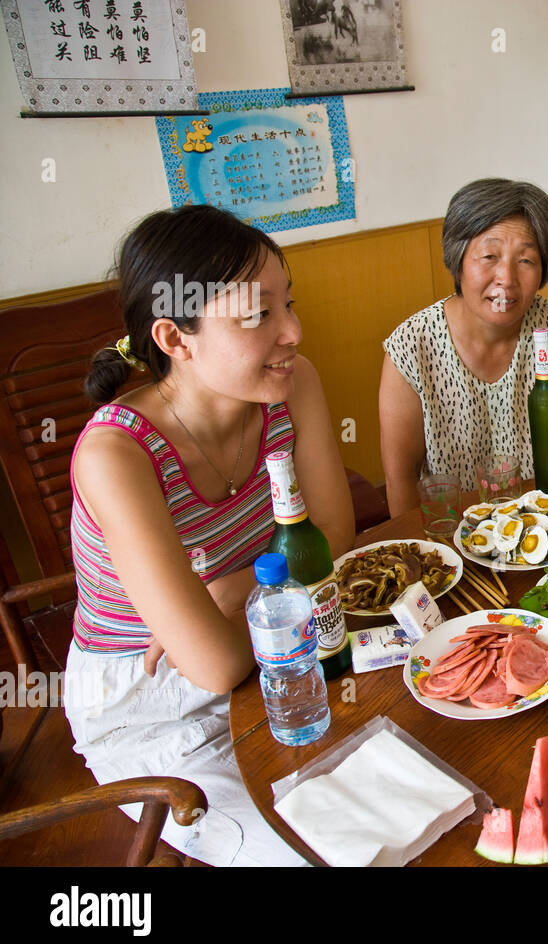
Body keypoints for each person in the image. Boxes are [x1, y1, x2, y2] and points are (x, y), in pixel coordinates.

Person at [66, 205, 355, 866]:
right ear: (175, 337)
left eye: (289, 304)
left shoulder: (291, 384)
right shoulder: (116, 455)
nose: (293, 331)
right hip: (156, 708)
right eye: (257, 314)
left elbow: (333, 541)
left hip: (278, 646)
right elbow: (217, 665)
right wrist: (252, 597)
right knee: (315, 852)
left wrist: (230, 591)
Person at [379, 179, 548, 513]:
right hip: (454, 538)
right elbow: (401, 482)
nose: (506, 279)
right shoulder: (411, 347)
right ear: (458, 259)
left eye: (526, 260)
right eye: (489, 256)